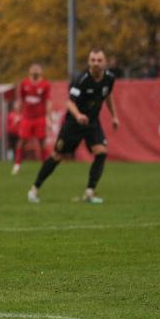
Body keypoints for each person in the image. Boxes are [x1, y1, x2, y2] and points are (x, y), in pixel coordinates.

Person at [27, 49, 119, 205]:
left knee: (101, 152)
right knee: (57, 156)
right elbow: (69, 102)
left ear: (105, 62)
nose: (96, 63)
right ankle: (34, 189)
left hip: (92, 122)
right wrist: (78, 116)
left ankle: (89, 193)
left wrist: (114, 116)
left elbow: (107, 96)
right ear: (89, 62)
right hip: (73, 123)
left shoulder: (110, 78)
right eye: (93, 60)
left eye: (99, 60)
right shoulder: (81, 79)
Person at [12, 63, 51, 175]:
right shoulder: (24, 84)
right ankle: (17, 164)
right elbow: (20, 100)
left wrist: (48, 116)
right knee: (22, 141)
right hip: (27, 118)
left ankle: (45, 166)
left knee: (42, 141)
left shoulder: (45, 84)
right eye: (33, 69)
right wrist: (18, 115)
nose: (35, 70)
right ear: (29, 71)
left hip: (40, 118)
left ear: (41, 71)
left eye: (37, 69)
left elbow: (48, 101)